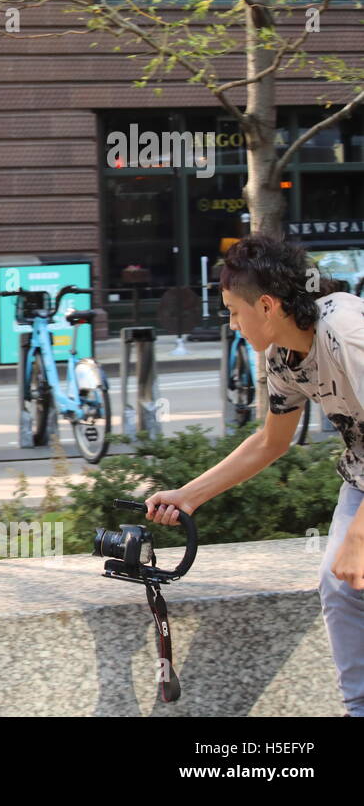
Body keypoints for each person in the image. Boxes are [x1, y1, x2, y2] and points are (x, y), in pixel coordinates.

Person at [146, 234, 364, 717]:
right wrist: (189, 495)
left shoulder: (346, 332)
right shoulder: (282, 356)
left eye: (233, 311)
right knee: (341, 590)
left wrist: (359, 533)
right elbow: (271, 441)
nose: (232, 323)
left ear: (266, 305)